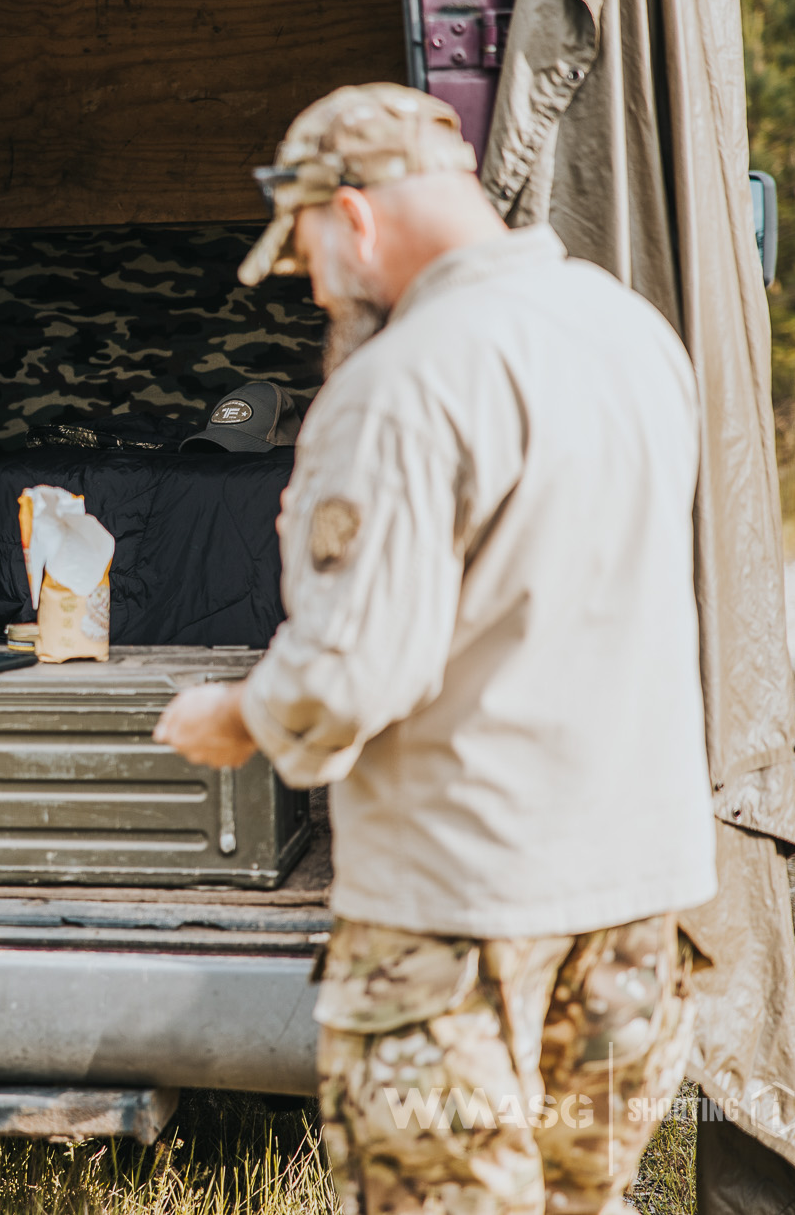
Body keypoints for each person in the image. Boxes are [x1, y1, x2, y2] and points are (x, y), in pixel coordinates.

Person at [153, 83, 718, 1215]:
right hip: (635, 900)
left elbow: (355, 670)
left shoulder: (400, 384)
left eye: (305, 248)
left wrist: (232, 718)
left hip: (462, 910)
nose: (310, 282)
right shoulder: (629, 329)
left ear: (352, 218)